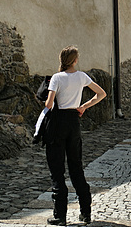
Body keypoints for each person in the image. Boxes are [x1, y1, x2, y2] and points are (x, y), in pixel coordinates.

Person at [44, 46, 107, 226]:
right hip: (74, 122)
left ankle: (60, 215)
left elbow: (49, 104)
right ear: (75, 60)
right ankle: (85, 213)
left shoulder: (57, 77)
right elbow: (101, 94)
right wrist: (84, 106)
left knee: (57, 169)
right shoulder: (81, 76)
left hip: (58, 123)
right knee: (76, 168)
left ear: (62, 59)